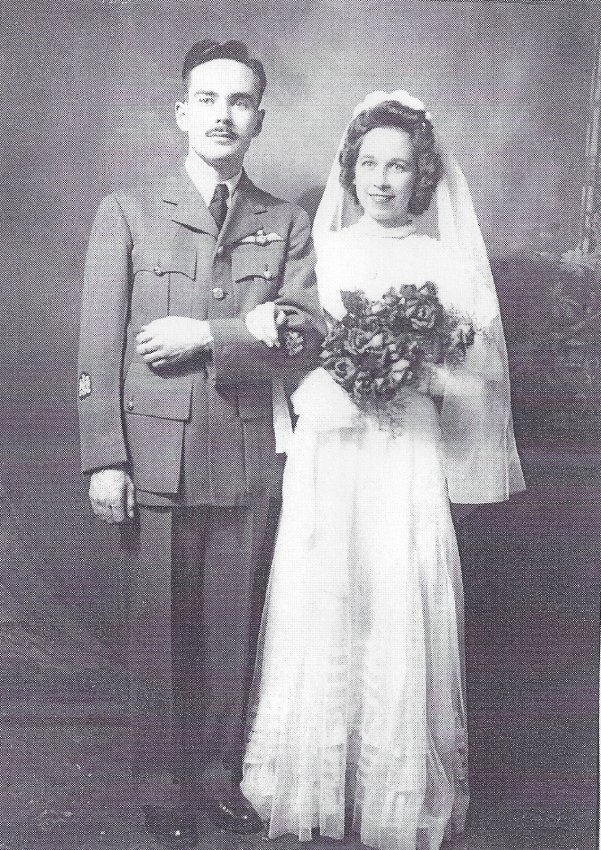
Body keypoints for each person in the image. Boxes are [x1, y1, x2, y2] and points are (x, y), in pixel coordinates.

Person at [240, 91, 525, 850]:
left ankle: (393, 793)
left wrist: (416, 375)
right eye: (368, 163)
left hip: (404, 454)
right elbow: (285, 354)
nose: (381, 178)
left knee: (398, 596)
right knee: (325, 595)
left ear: (421, 175)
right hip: (332, 452)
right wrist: (330, 387)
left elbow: (480, 379)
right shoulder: (319, 251)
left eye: (398, 165)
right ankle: (313, 780)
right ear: (351, 169)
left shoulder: (443, 262)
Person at [77, 39, 324, 841]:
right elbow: (97, 342)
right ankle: (160, 780)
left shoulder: (283, 221)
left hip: (250, 457)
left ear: (259, 118)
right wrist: (105, 456)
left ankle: (218, 776)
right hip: (154, 456)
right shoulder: (127, 210)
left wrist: (208, 334)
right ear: (183, 113)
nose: (224, 115)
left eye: (240, 102)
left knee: (230, 628)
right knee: (160, 630)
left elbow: (306, 337)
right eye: (208, 100)